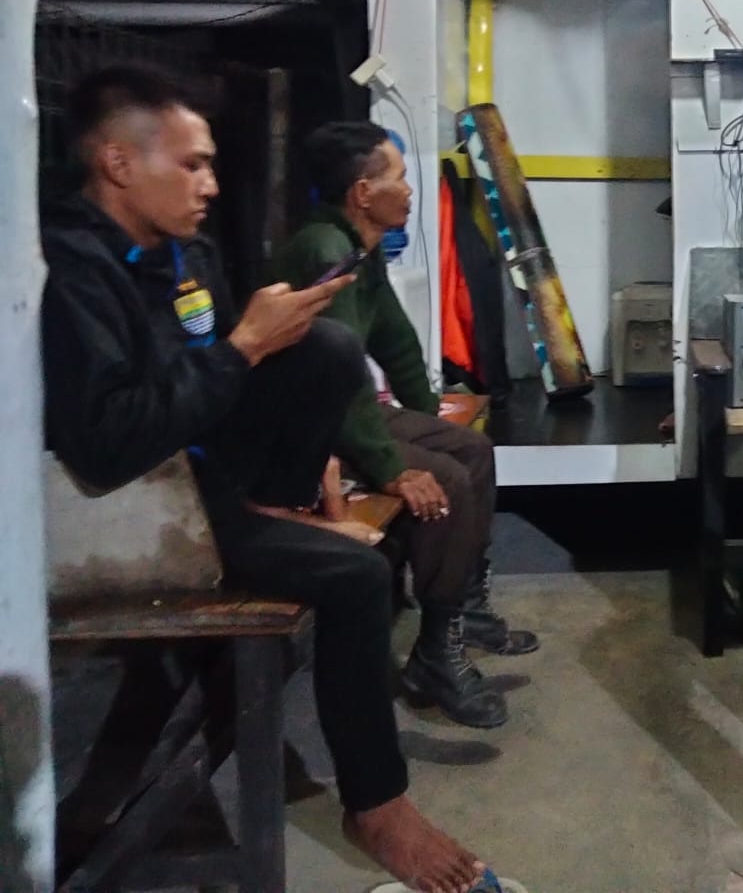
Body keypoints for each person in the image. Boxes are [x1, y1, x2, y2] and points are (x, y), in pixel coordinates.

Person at [40, 66, 491, 893]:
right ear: (118, 163)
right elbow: (107, 447)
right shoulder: (70, 268)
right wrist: (245, 346)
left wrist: (301, 426)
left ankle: (272, 505)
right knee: (356, 578)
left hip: (209, 482)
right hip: (134, 516)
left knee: (324, 349)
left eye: (211, 165)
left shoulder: (187, 252)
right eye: (191, 164)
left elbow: (231, 382)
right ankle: (377, 805)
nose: (211, 185)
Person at [274, 121, 538, 731]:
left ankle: (465, 608)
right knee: (444, 479)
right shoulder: (325, 250)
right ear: (363, 192)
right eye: (398, 177)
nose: (410, 189)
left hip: (343, 413)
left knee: (472, 449)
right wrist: (393, 469)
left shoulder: (357, 249)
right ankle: (435, 654)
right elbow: (335, 381)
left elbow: (393, 339)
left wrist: (429, 413)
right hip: (307, 430)